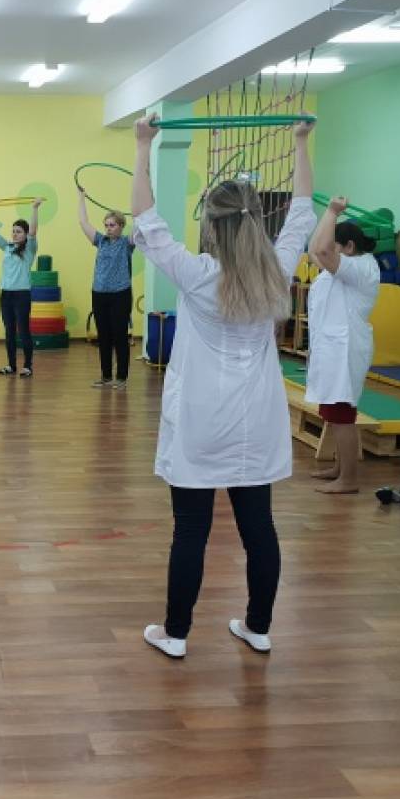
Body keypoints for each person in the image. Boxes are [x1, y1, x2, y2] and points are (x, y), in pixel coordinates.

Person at [133, 119, 318, 659]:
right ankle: (258, 626)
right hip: (256, 419)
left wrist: (142, 145)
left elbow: (146, 218)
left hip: (202, 419)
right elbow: (302, 211)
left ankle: (176, 634)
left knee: (190, 530)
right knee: (258, 527)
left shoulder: (196, 273)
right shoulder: (277, 270)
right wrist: (300, 143)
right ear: (257, 220)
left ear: (211, 226)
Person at [304, 200, 380, 494]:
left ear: (349, 246)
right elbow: (316, 250)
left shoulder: (361, 268)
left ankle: (348, 479)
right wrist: (329, 216)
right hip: (331, 348)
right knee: (333, 412)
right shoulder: (341, 267)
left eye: (334, 245)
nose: (327, 250)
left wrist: (332, 212)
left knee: (342, 414)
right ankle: (339, 468)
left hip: (345, 350)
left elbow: (322, 252)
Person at [77, 189, 134, 388]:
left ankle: (122, 378)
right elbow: (83, 222)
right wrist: (81, 198)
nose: (109, 229)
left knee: (120, 335)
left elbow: (141, 226)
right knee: (104, 336)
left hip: (120, 295)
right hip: (99, 294)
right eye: (107, 225)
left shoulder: (127, 243)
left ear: (121, 226)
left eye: (112, 225)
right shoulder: (100, 241)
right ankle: (106, 376)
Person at [0, 198, 43, 377]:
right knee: (9, 331)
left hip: (22, 295)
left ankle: (27, 366)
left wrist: (34, 208)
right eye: (13, 231)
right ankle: (11, 365)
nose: (15, 234)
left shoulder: (30, 249)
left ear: (25, 234)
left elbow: (33, 231)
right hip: (6, 295)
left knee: (23, 330)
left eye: (18, 232)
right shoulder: (7, 247)